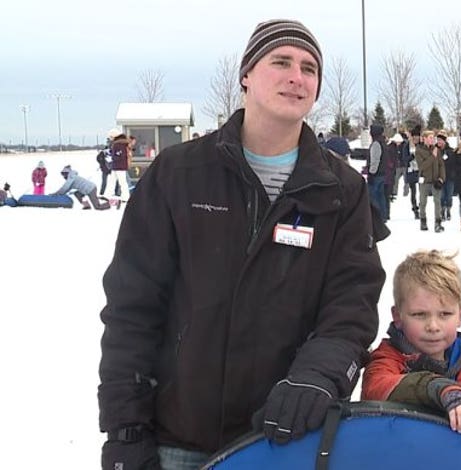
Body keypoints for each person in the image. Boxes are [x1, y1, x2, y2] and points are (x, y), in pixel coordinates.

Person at [97, 19, 388, 470]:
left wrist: (315, 378)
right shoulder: (178, 174)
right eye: (281, 62)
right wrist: (125, 430)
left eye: (309, 68)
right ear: (247, 75)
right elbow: (131, 308)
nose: (297, 76)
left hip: (283, 444)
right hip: (178, 441)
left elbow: (351, 307)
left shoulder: (341, 190)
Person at [361, 250, 461, 448]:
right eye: (420, 314)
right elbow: (378, 387)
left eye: (445, 314)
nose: (433, 326)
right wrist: (441, 389)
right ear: (398, 316)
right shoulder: (386, 361)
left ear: (460, 315)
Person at [415, 130, 445, 232]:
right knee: (423, 202)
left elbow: (441, 165)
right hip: (424, 180)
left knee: (437, 202)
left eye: (433, 138)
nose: (432, 140)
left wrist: (442, 177)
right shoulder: (419, 151)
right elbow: (422, 166)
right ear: (424, 138)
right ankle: (423, 221)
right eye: (430, 138)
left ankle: (438, 222)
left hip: (436, 180)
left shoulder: (437, 150)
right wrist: (432, 156)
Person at [367, 124, 388, 222]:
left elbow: (375, 159)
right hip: (383, 173)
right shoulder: (383, 142)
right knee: (381, 196)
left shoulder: (376, 144)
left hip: (376, 174)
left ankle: (376, 216)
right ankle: (383, 215)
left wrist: (371, 173)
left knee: (373, 196)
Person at [107, 132, 132, 206]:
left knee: (121, 182)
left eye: (111, 136)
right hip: (120, 166)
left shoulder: (118, 144)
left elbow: (119, 155)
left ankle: (125, 197)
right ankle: (110, 194)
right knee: (116, 181)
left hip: (118, 166)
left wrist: (112, 157)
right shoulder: (123, 143)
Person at [437, 134, 456, 222]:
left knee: (449, 195)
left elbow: (454, 163)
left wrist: (453, 174)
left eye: (441, 140)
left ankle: (448, 210)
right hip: (439, 177)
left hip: (449, 177)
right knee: (441, 195)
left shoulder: (451, 151)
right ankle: (442, 210)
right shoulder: (435, 150)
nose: (439, 142)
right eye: (438, 140)